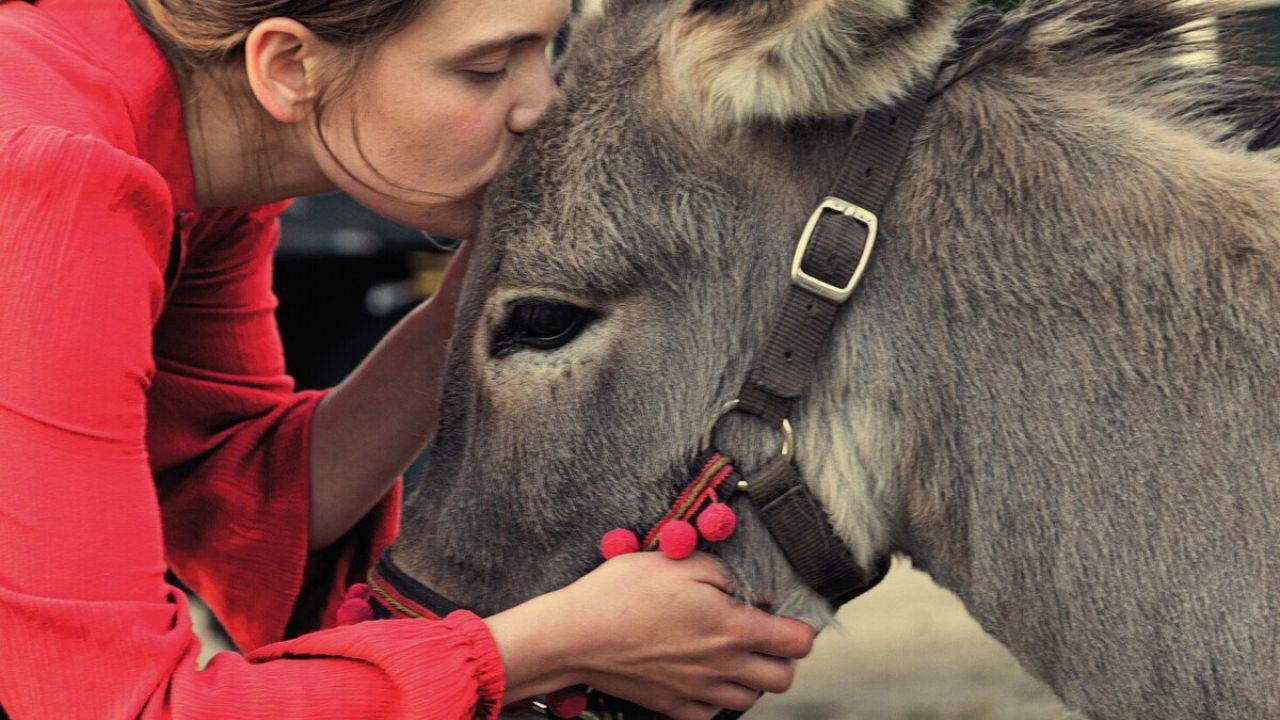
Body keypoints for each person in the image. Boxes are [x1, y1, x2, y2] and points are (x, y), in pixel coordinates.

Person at [0, 0, 818, 718]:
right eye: (486, 68)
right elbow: (117, 706)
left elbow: (231, 491)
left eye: (547, 47)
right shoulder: (48, 186)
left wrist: (488, 292)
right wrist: (547, 646)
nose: (542, 105)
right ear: (288, 66)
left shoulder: (180, 152)